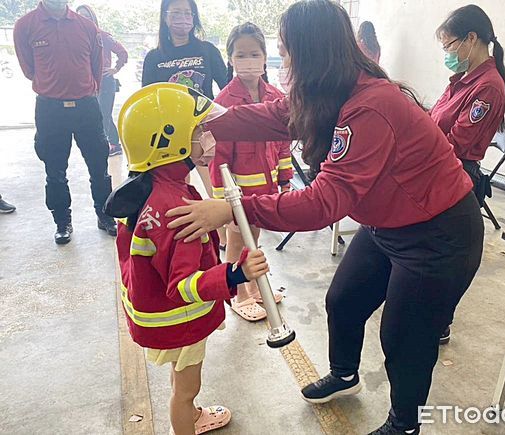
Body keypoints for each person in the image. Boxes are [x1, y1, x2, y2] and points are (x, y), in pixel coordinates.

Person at [165, 1, 484, 434]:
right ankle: (345, 375)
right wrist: (204, 123)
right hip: (388, 223)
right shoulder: (330, 88)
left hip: (437, 234)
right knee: (344, 300)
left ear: (311, 50)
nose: (284, 59)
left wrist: (233, 209)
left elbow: (323, 203)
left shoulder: (369, 105)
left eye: (286, 49)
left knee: (404, 338)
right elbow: (279, 116)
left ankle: (405, 424)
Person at [105, 82, 269, 435]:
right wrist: (236, 274)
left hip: (154, 312)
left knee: (180, 377)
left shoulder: (146, 189)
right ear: (170, 140)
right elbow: (182, 286)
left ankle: (190, 413)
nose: (208, 138)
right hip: (178, 319)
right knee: (185, 390)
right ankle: (186, 420)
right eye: (200, 131)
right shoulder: (177, 209)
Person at [429, 5, 505, 345]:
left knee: (443, 257)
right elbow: (435, 121)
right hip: (439, 169)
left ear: (471, 39)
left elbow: (456, 144)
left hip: (456, 178)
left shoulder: (488, 88)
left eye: (449, 46)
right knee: (428, 250)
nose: (447, 54)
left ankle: (438, 321)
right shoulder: (461, 80)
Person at [13, 0, 116, 245]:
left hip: (86, 107)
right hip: (50, 109)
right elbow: (28, 68)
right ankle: (62, 222)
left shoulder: (86, 26)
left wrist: (85, 93)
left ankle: (105, 215)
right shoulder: (25, 25)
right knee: (55, 170)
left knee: (99, 166)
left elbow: (96, 65)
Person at [209, 22, 292, 322]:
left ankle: (255, 286)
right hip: (237, 193)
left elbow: (284, 142)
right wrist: (222, 201)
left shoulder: (274, 95)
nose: (248, 60)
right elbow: (218, 158)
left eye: (254, 54)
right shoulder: (223, 104)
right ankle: (236, 294)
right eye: (240, 55)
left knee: (253, 239)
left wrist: (285, 180)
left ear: (264, 56)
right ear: (229, 58)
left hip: (266, 188)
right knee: (236, 240)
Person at [142, 0, 228, 223]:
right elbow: (147, 99)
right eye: (176, 13)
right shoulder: (154, 57)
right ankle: (186, 233)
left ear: (194, 17)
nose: (182, 18)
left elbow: (227, 87)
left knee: (216, 188)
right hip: (170, 134)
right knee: (178, 189)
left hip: (203, 130)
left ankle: (223, 236)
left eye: (187, 13)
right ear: (165, 17)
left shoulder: (207, 50)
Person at [76, 5, 129, 157]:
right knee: (95, 114)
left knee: (103, 114)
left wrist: (115, 69)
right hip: (88, 82)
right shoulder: (76, 38)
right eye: (80, 16)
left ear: (93, 18)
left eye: (86, 16)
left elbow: (123, 53)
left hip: (105, 81)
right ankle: (111, 143)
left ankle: (108, 144)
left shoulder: (103, 36)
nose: (83, 19)